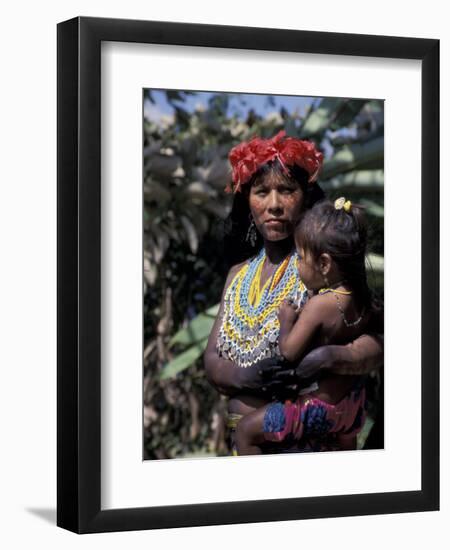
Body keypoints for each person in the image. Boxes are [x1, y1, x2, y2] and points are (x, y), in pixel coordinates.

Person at [203, 130, 383, 455]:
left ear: (305, 196)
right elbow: (211, 361)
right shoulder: (237, 275)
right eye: (261, 192)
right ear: (247, 200)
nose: (273, 205)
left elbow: (377, 337)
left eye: (286, 190)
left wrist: (335, 357)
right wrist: (248, 377)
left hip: (308, 449)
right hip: (243, 447)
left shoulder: (322, 270)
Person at [234, 197, 373, 455]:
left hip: (317, 410)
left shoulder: (319, 305)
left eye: (299, 258)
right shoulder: (364, 299)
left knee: (245, 431)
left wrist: (286, 320)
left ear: (324, 264)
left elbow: (289, 351)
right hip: (352, 409)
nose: (296, 265)